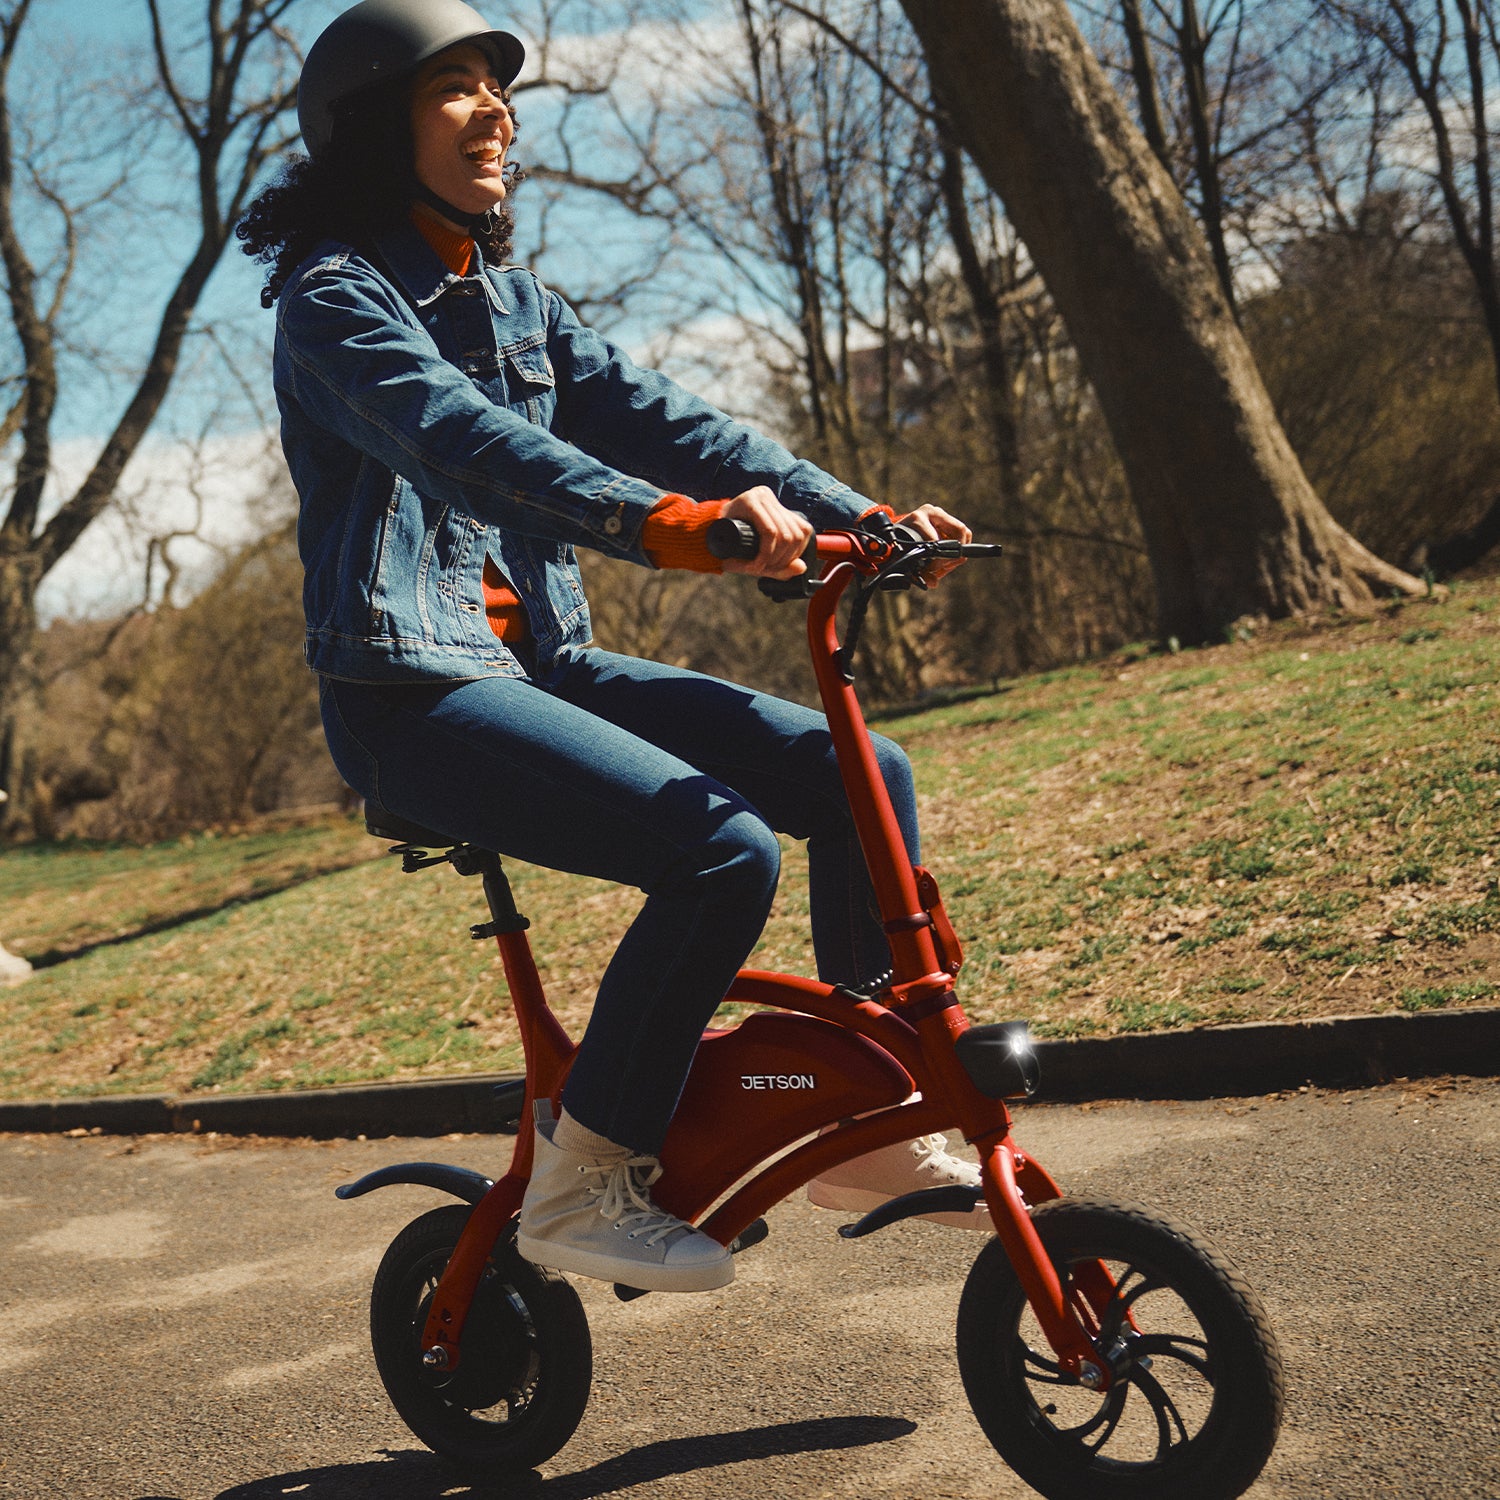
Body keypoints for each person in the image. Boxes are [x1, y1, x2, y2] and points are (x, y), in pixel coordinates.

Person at [239, 0, 987, 1296]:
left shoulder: (520, 303)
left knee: (866, 774)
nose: (496, 112)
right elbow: (462, 442)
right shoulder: (333, 304)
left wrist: (855, 517)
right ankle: (585, 1174)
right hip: (409, 697)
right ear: (374, 131)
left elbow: (678, 426)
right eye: (453, 88)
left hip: (543, 673)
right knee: (718, 850)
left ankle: (865, 1119)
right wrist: (673, 530)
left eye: (498, 87)